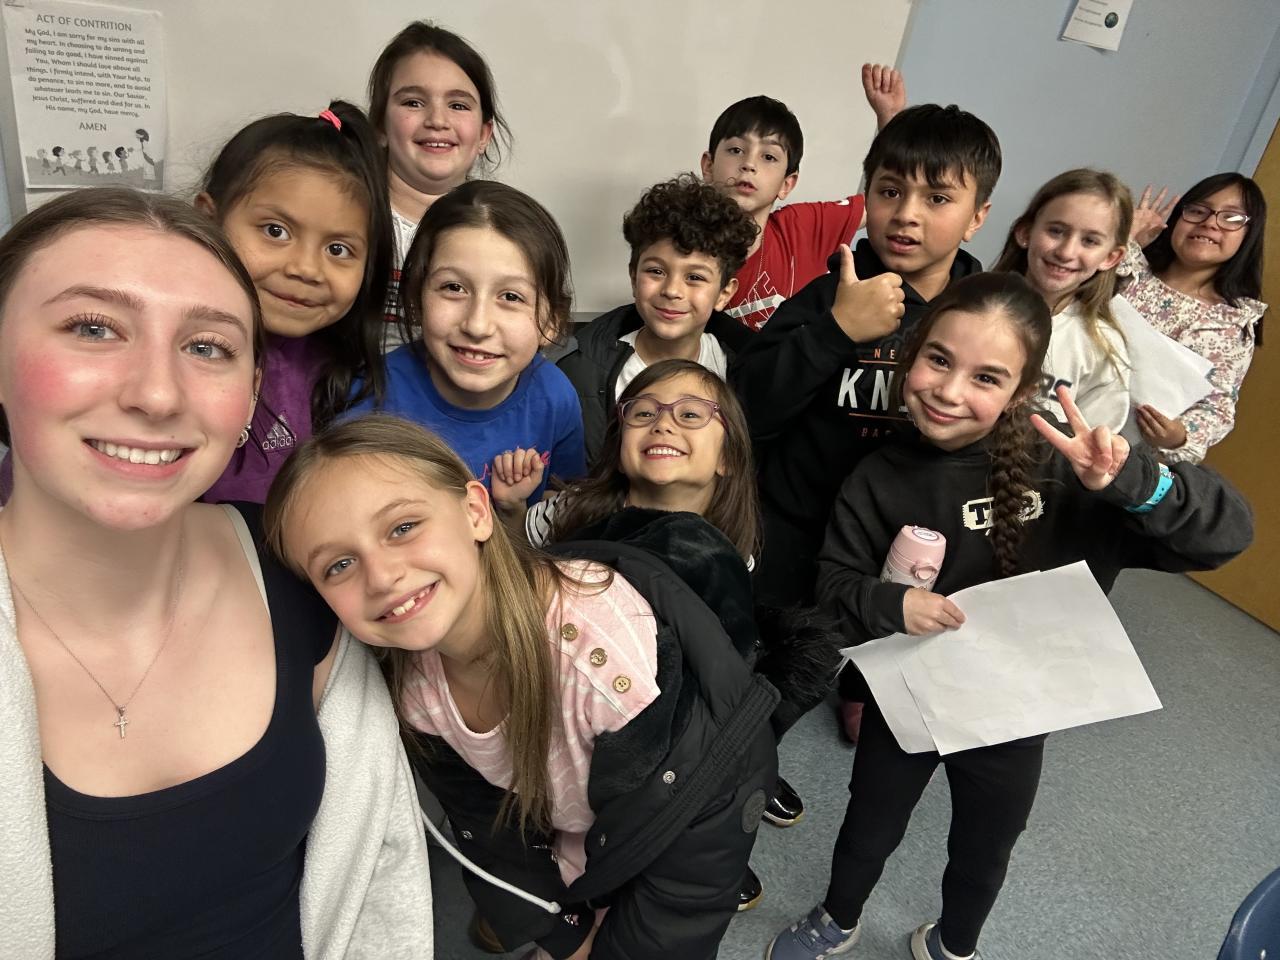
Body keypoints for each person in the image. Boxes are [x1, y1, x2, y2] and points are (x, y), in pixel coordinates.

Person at [766, 272, 1252, 960]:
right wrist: (892, 602)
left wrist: (1135, 483)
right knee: (870, 823)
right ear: (910, 357)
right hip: (908, 703)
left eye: (987, 377)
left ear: (1022, 390)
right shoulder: (878, 476)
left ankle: (954, 943)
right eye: (938, 360)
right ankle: (837, 918)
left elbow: (1227, 536)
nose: (949, 391)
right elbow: (834, 582)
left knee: (986, 844)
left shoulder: (1069, 472)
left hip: (1013, 715)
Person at [0, 188, 431, 959]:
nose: (157, 394)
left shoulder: (302, 580)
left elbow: (377, 886)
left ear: (252, 392)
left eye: (207, 348)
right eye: (93, 328)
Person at [264, 414, 779, 960]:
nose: (381, 576)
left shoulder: (606, 663)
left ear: (475, 511)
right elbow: (481, 823)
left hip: (679, 829)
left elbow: (688, 854)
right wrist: (561, 928)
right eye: (339, 564)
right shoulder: (414, 690)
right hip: (584, 830)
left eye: (403, 527)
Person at [516, 358, 840, 911]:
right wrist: (510, 508)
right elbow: (513, 579)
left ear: (728, 458)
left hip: (659, 736)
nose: (663, 422)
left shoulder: (734, 551)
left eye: (690, 414)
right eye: (643, 412)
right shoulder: (562, 513)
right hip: (564, 709)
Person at [731, 102, 1000, 609]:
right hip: (796, 548)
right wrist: (835, 331)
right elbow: (744, 411)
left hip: (916, 556)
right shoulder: (825, 298)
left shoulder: (985, 319)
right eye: (889, 191)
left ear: (976, 217)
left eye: (937, 198)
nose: (906, 214)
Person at [197, 100, 394, 503]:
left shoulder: (341, 380)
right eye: (276, 231)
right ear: (208, 220)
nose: (306, 269)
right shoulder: (155, 353)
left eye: (338, 249)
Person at [348, 179, 585, 506]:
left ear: (552, 321)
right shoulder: (372, 396)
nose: (477, 325)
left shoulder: (555, 397)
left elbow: (563, 505)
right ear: (416, 297)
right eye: (453, 288)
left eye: (511, 296)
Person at [555, 174, 757, 465]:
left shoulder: (745, 368)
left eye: (695, 277)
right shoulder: (581, 369)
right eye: (656, 271)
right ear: (633, 276)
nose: (672, 291)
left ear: (724, 293)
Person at [700, 64, 907, 331]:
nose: (749, 164)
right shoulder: (678, 240)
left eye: (768, 156)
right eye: (736, 150)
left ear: (787, 184)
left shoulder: (802, 229)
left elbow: (884, 204)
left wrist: (890, 118)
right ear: (708, 166)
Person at [367, 20, 512, 347]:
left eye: (458, 105)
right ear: (380, 126)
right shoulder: (347, 219)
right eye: (413, 102)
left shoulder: (506, 231)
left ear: (484, 135)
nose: (437, 120)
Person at [1121, 175, 1267, 462]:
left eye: (1232, 217)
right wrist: (1126, 238)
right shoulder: (1129, 270)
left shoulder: (1229, 324)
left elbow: (1217, 408)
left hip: (1121, 455)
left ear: (1248, 236)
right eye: (1198, 210)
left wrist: (1178, 435)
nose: (1210, 222)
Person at [992, 168, 1134, 430]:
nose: (1067, 252)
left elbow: (1094, 441)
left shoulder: (1102, 347)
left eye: (1089, 241)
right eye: (1056, 231)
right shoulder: (972, 304)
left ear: (1110, 257)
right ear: (1025, 233)